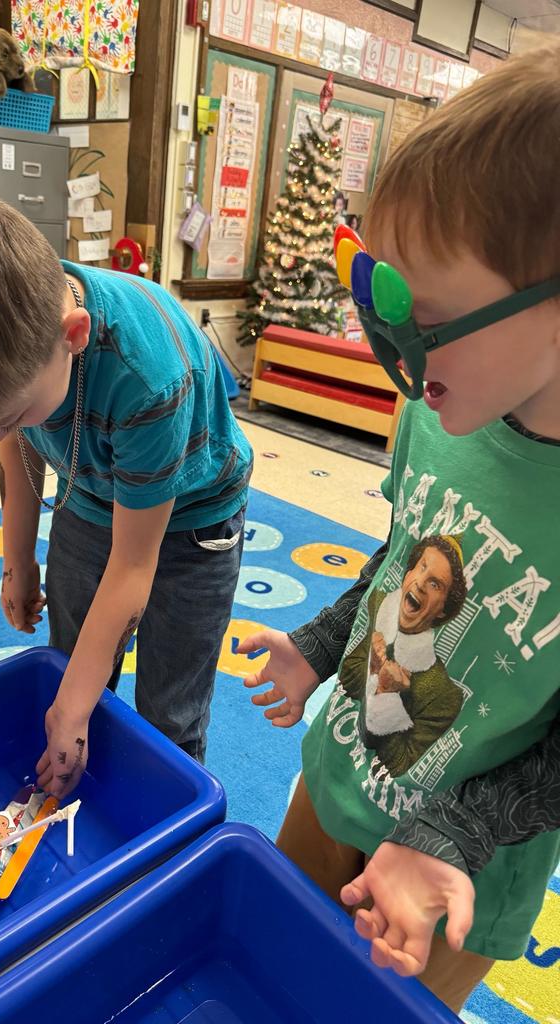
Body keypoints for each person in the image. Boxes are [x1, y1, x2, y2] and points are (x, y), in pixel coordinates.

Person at [238, 41, 560, 1014]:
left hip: (455, 880)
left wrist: (451, 839)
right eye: (382, 296)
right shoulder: (437, 410)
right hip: (337, 774)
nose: (392, 347)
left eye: (430, 313)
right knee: (272, 977)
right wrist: (319, 644)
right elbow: (404, 558)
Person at [0, 181, 252, 801]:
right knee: (78, 671)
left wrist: (68, 710)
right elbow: (17, 445)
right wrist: (16, 560)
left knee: (170, 708)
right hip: (91, 496)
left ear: (75, 335)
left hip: (196, 523)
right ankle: (83, 781)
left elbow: (135, 564)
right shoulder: (15, 342)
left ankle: (169, 834)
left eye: (8, 416)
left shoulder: (149, 378)